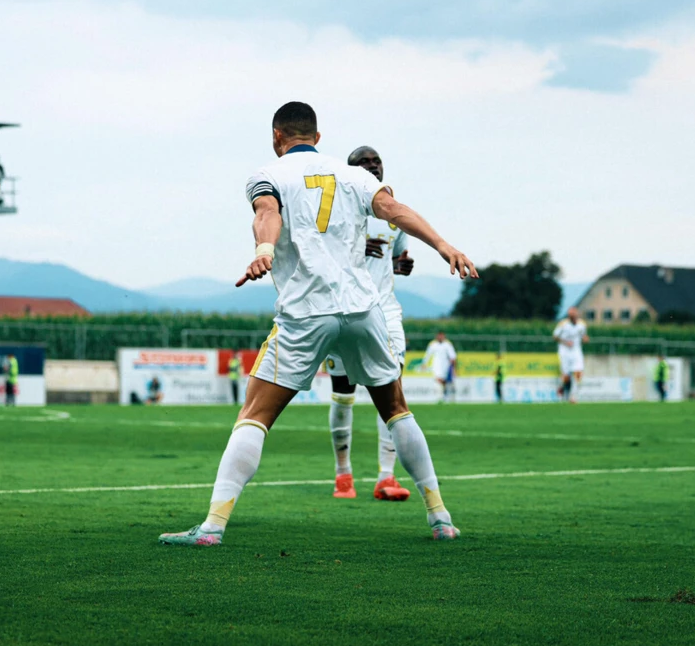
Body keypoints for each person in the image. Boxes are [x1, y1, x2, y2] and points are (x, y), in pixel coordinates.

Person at [159, 101, 477, 547]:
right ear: (318, 137)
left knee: (254, 416)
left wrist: (263, 251)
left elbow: (266, 214)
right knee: (396, 408)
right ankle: (440, 518)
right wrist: (444, 245)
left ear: (276, 137)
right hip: (363, 310)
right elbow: (394, 210)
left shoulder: (267, 174)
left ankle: (212, 527)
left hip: (307, 313)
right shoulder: (356, 176)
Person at [325, 146, 415, 502]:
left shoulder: (392, 212)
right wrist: (356, 249)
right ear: (350, 174)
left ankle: (386, 477)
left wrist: (400, 266)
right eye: (363, 163)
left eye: (376, 161)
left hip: (385, 311)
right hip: (344, 310)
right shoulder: (333, 213)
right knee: (344, 395)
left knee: (392, 391)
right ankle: (343, 475)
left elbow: (395, 258)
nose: (372, 166)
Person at [554, 307, 589, 403]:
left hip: (576, 351)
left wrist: (585, 338)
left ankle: (573, 396)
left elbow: (583, 335)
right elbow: (555, 336)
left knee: (578, 372)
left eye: (574, 315)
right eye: (570, 315)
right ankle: (561, 388)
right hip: (564, 351)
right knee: (566, 377)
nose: (572, 317)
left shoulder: (582, 324)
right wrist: (565, 342)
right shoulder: (563, 324)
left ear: (577, 315)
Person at [423, 331, 457, 403]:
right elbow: (428, 354)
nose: (440, 337)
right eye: (439, 336)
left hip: (446, 365)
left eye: (442, 336)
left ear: (444, 336)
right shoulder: (433, 344)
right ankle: (439, 397)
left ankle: (445, 396)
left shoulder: (448, 344)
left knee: (444, 381)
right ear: (437, 336)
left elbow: (453, 356)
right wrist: (425, 363)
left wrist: (453, 367)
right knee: (438, 380)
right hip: (436, 365)